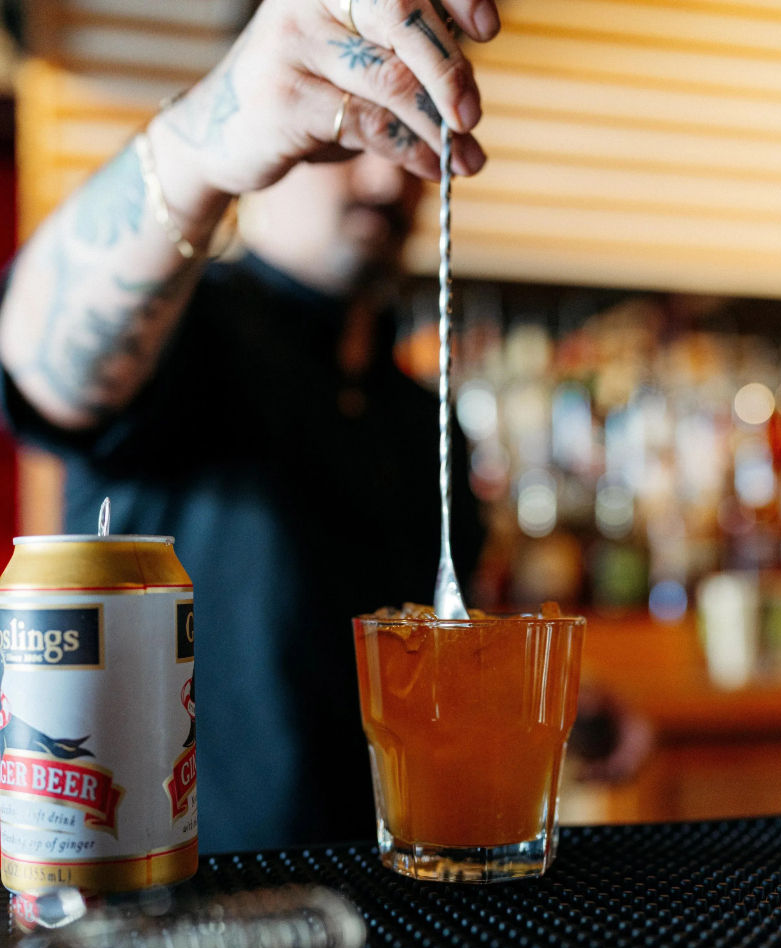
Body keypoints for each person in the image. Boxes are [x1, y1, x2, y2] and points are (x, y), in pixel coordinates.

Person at [0, 0, 498, 852]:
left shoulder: (423, 417)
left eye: (408, 137)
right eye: (350, 137)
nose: (387, 180)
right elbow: (41, 365)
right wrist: (200, 143)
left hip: (400, 914)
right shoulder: (184, 335)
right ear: (281, 127)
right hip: (187, 920)